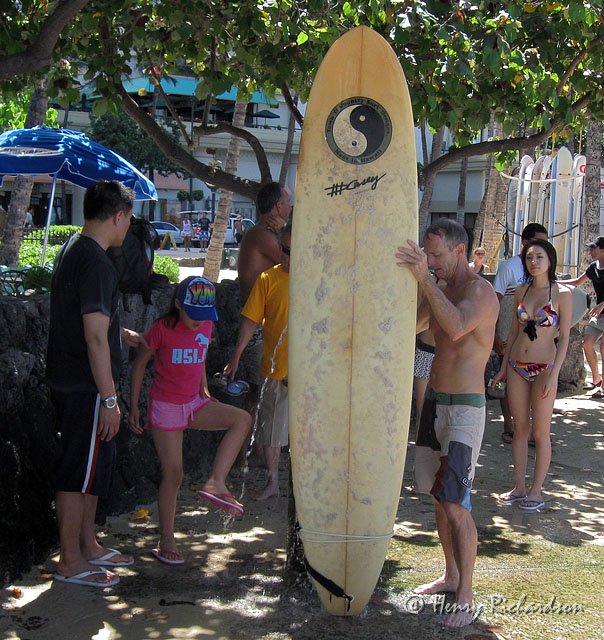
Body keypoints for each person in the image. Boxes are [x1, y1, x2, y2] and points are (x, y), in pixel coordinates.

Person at [395, 218, 499, 628]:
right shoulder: (440, 287)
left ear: (459, 250)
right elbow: (412, 325)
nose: (431, 260)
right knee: (439, 498)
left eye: (436, 254)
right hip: (435, 403)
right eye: (427, 253)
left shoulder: (480, 292)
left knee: (456, 503)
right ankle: (451, 576)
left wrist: (425, 279)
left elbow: (455, 328)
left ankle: (467, 596)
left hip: (465, 408)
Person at [47, 180, 145, 588]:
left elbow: (90, 320)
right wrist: (109, 399)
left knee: (90, 470)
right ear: (119, 216)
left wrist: (118, 333)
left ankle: (87, 544)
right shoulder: (99, 264)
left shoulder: (74, 247)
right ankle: (70, 560)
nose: (129, 226)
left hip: (70, 380)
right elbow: (92, 336)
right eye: (130, 218)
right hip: (86, 387)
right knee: (77, 472)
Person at [129, 276, 251, 565]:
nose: (198, 320)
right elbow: (139, 366)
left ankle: (216, 482)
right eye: (193, 313)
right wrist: (134, 407)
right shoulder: (161, 329)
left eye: (203, 314)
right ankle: (166, 539)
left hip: (195, 403)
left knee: (242, 419)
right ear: (177, 305)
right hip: (166, 406)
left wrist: (203, 388)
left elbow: (199, 359)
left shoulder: (206, 326)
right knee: (174, 474)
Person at [492, 239, 571, 511]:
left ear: (550, 260)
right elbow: (514, 331)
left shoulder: (562, 293)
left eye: (539, 257)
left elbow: (565, 338)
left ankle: (536, 491)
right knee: (520, 429)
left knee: (540, 432)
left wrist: (554, 374)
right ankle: (519, 487)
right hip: (517, 364)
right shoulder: (520, 290)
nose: (533, 262)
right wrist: (503, 368)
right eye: (529, 257)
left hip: (545, 367)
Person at [225, 224, 291, 500]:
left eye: (294, 251)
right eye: (285, 250)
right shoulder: (268, 278)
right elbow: (251, 321)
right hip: (276, 370)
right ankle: (273, 482)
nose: (289, 257)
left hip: (310, 373)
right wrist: (236, 356)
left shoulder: (318, 278)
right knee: (271, 431)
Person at [493, 223, 548, 443]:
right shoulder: (509, 267)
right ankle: (509, 425)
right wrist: (494, 335)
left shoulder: (544, 269)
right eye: (538, 241)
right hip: (509, 333)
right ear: (525, 243)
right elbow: (495, 302)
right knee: (506, 377)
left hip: (535, 338)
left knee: (537, 380)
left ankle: (534, 429)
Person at [564, 236, 604, 397]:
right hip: (599, 315)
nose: (591, 250)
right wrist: (555, 283)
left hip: (600, 310)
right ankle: (596, 380)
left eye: (594, 247)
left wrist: (602, 304)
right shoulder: (593, 267)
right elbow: (577, 282)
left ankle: (603, 388)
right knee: (587, 343)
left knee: (603, 348)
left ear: (603, 250)